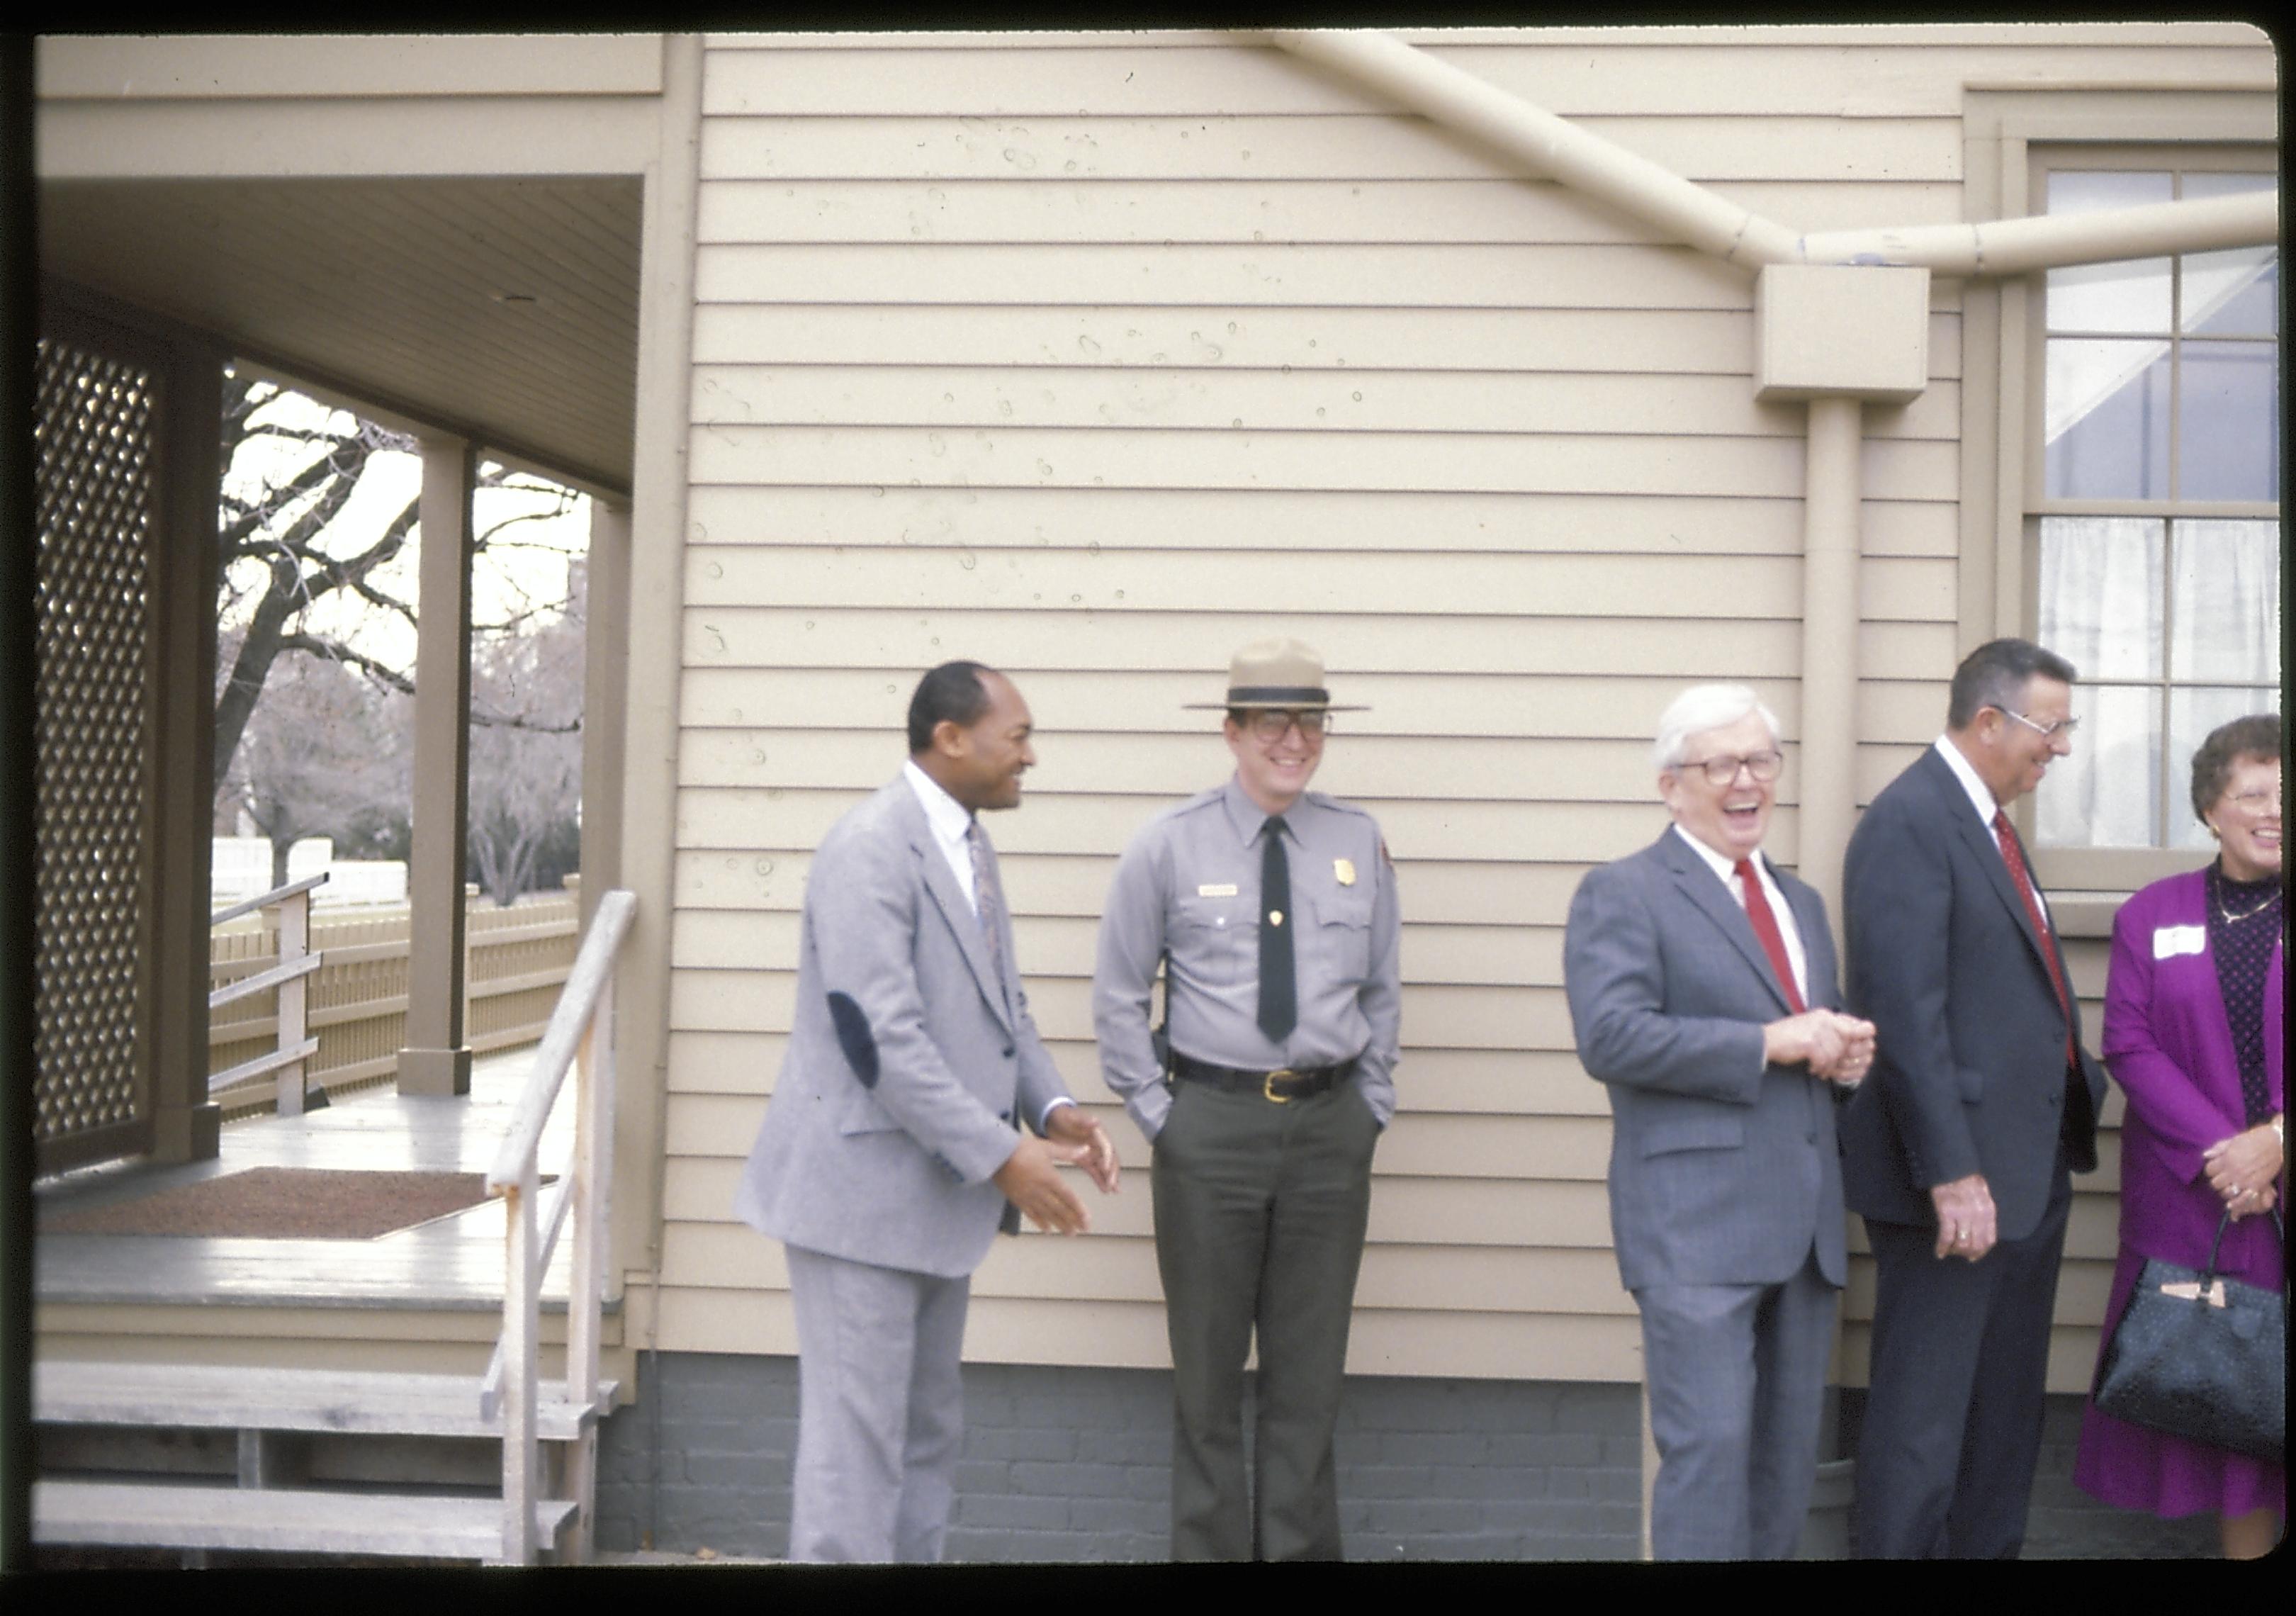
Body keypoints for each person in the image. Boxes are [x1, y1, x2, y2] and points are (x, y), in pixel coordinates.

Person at [732, 660, 1120, 1562]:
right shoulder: (869, 846)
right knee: (856, 1455)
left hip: (937, 1201)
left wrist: (1051, 1107)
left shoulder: (968, 844)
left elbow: (1001, 1010)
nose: (1030, 757)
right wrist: (1002, 1156)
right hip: (858, 1202)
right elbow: (881, 1043)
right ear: (951, 738)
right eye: (1017, 737)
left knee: (924, 1437)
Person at [1092, 636, 1400, 1561]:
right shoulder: (1168, 845)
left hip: (1327, 1129)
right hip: (1210, 1130)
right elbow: (1117, 994)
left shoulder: (1356, 840)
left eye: (1310, 722)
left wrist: (1368, 1107)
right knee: (1208, 1386)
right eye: (1273, 721)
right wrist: (1161, 1116)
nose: (1294, 741)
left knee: (1309, 1387)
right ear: (1231, 732)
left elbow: (1381, 989)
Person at [1563, 684, 1874, 1560]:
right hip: (1695, 1230)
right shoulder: (1625, 892)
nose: (1748, 782)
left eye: (1762, 761)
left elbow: (1809, 1033)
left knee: (1781, 1472)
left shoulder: (1798, 902)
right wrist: (1771, 1041)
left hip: (1803, 1228)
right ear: (1672, 786)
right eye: (1722, 764)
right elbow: (1612, 1037)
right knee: (1708, 1460)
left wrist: (1840, 1059)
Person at [1840, 637, 2109, 1559]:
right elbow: (1902, 1014)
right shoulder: (1911, 821)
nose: (2063, 746)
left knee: (2001, 1423)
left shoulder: (1986, 820)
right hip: (1956, 1191)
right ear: (1988, 721)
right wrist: (1952, 1172)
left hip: (2025, 1176)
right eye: (2053, 725)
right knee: (1924, 1428)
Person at [2073, 713, 2284, 1559]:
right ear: (2211, 808)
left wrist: (2278, 1141)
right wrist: (2231, 1155)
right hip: (2201, 1200)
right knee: (2239, 1404)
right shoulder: (2153, 912)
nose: (2275, 810)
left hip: (2273, 1173)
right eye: (2255, 793)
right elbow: (2128, 1041)